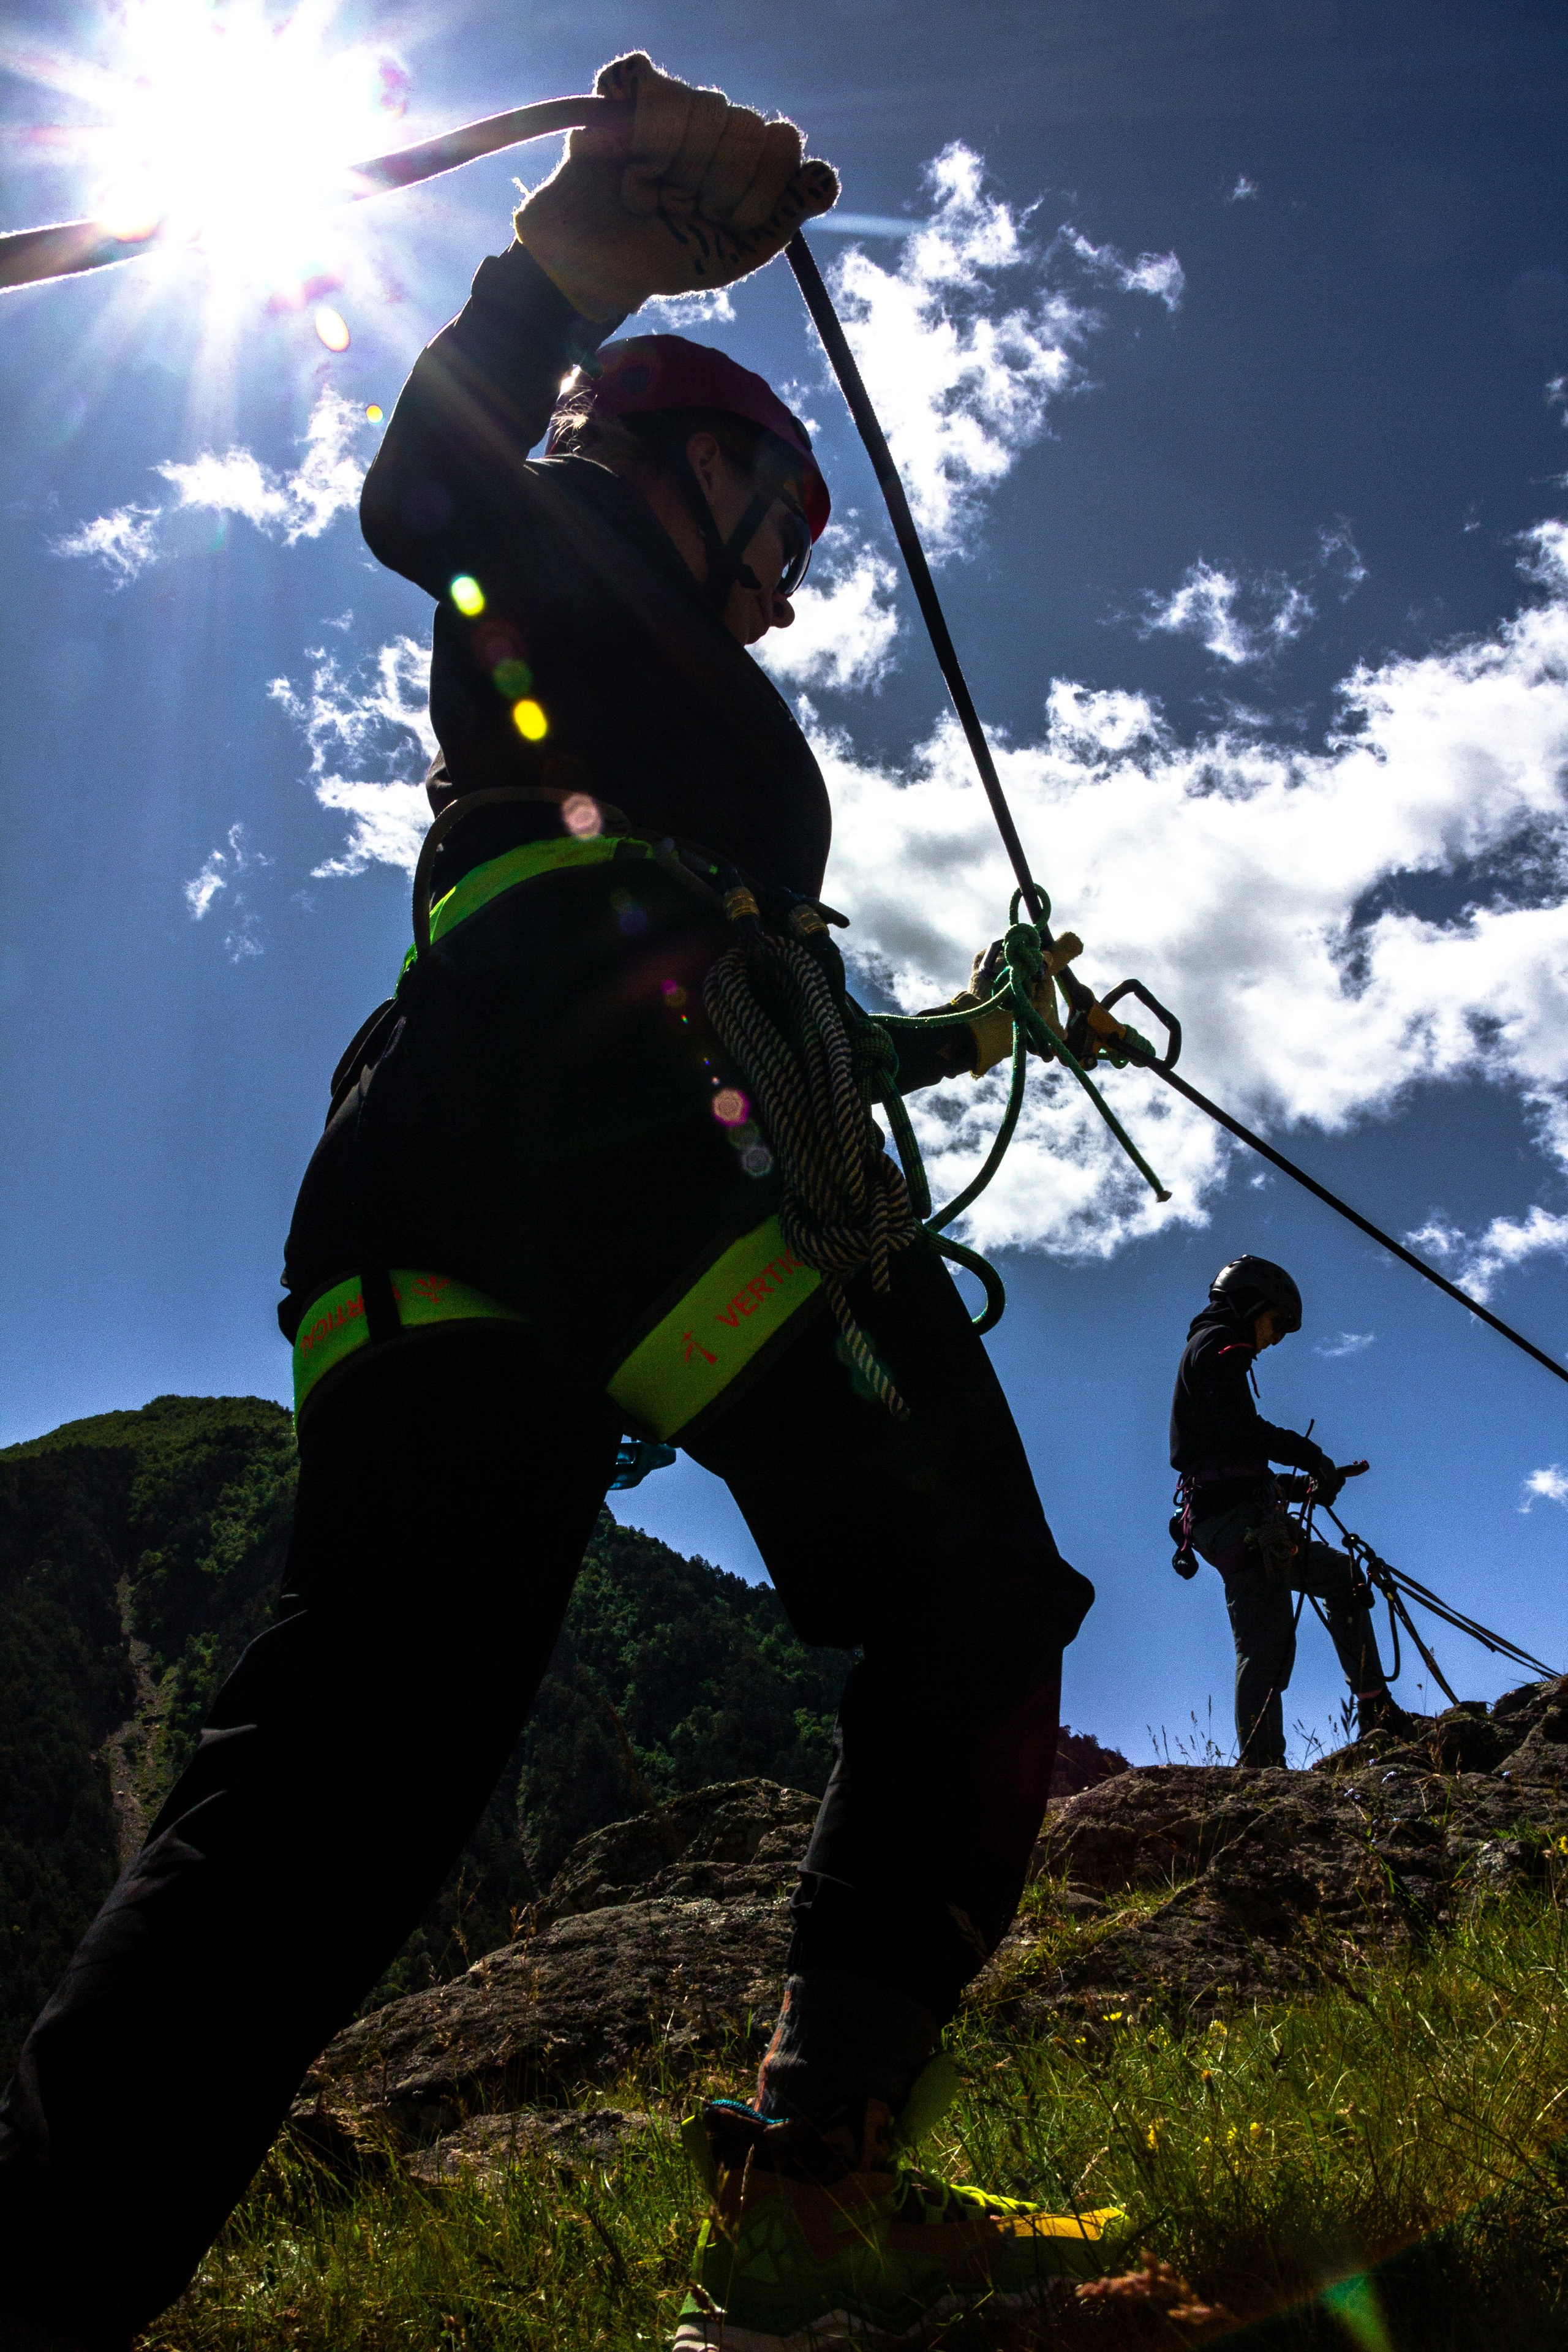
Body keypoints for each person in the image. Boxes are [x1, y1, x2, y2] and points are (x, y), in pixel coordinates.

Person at [0, 55, 1110, 2352]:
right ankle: (809, 2206)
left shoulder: (599, 664)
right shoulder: (570, 525)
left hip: (437, 1160)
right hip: (617, 1132)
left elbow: (717, 972)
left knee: (339, 1781)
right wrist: (581, 257)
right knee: (975, 1599)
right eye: (779, 527)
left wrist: (960, 1043)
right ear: (676, 457)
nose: (791, 602)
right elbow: (433, 485)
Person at [1170, 1254, 1417, 1768]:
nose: (1279, 1336)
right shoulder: (1219, 1347)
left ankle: (1375, 1709)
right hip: (1241, 1526)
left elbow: (1226, 1455)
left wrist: (1297, 1485)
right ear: (1253, 1303)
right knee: (1265, 1642)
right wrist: (1310, 1456)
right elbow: (1243, 1431)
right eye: (1279, 1321)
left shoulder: (1212, 1348)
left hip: (1241, 1518)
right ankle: (1263, 1770)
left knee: (1345, 1578)